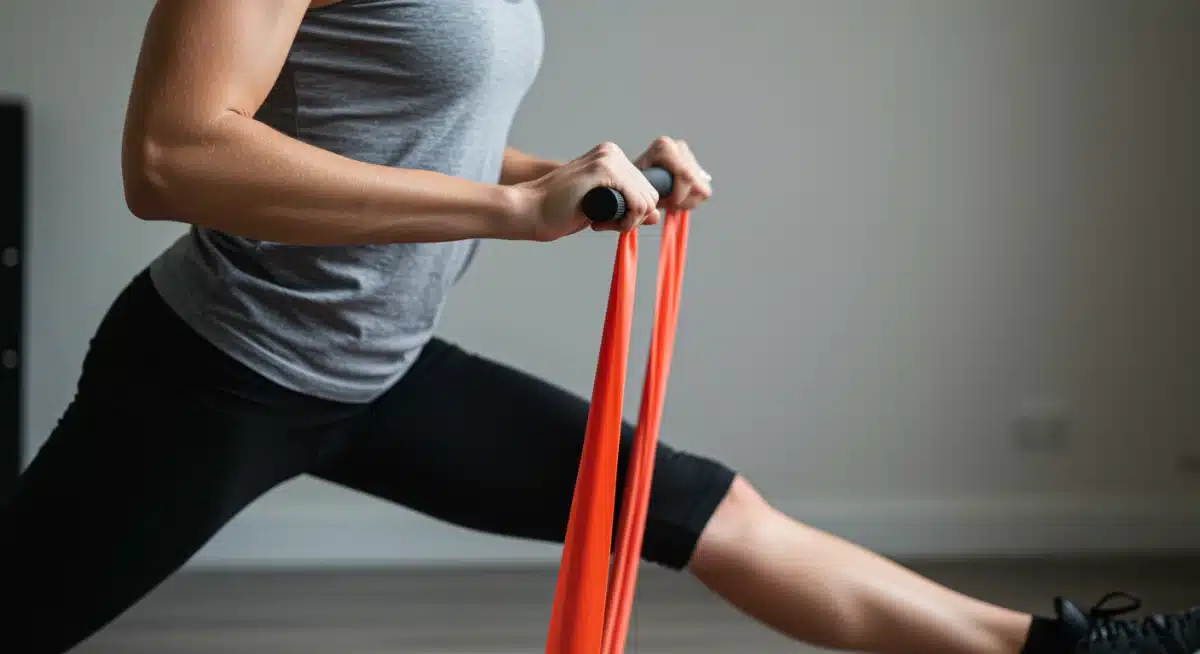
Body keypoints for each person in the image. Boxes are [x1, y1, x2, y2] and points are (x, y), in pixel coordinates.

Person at [2, 1, 1196, 652]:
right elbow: (171, 153)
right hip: (223, 369)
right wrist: (509, 209)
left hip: (386, 370)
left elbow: (413, 134)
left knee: (715, 516)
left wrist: (587, 178)